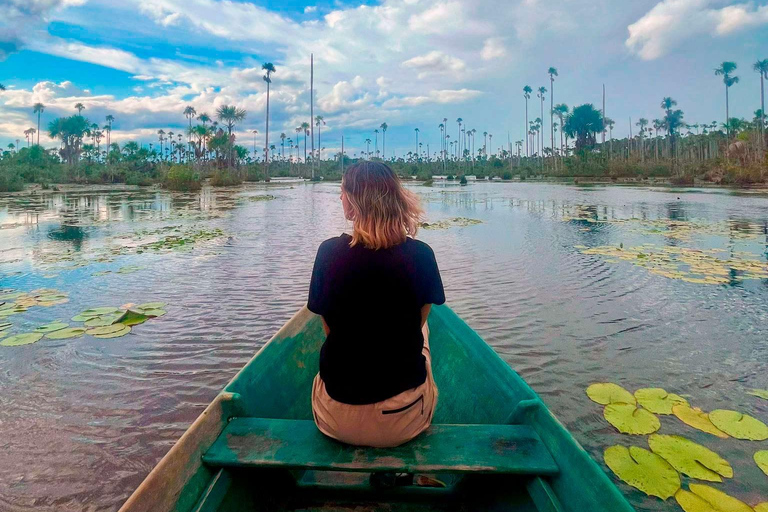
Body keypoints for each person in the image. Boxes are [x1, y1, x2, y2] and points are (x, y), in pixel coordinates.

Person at [307, 161, 445, 449]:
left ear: (352, 203)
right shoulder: (421, 255)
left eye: (342, 191)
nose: (340, 197)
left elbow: (330, 329)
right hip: (403, 420)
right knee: (425, 335)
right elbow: (417, 324)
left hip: (336, 418)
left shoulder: (328, 253)